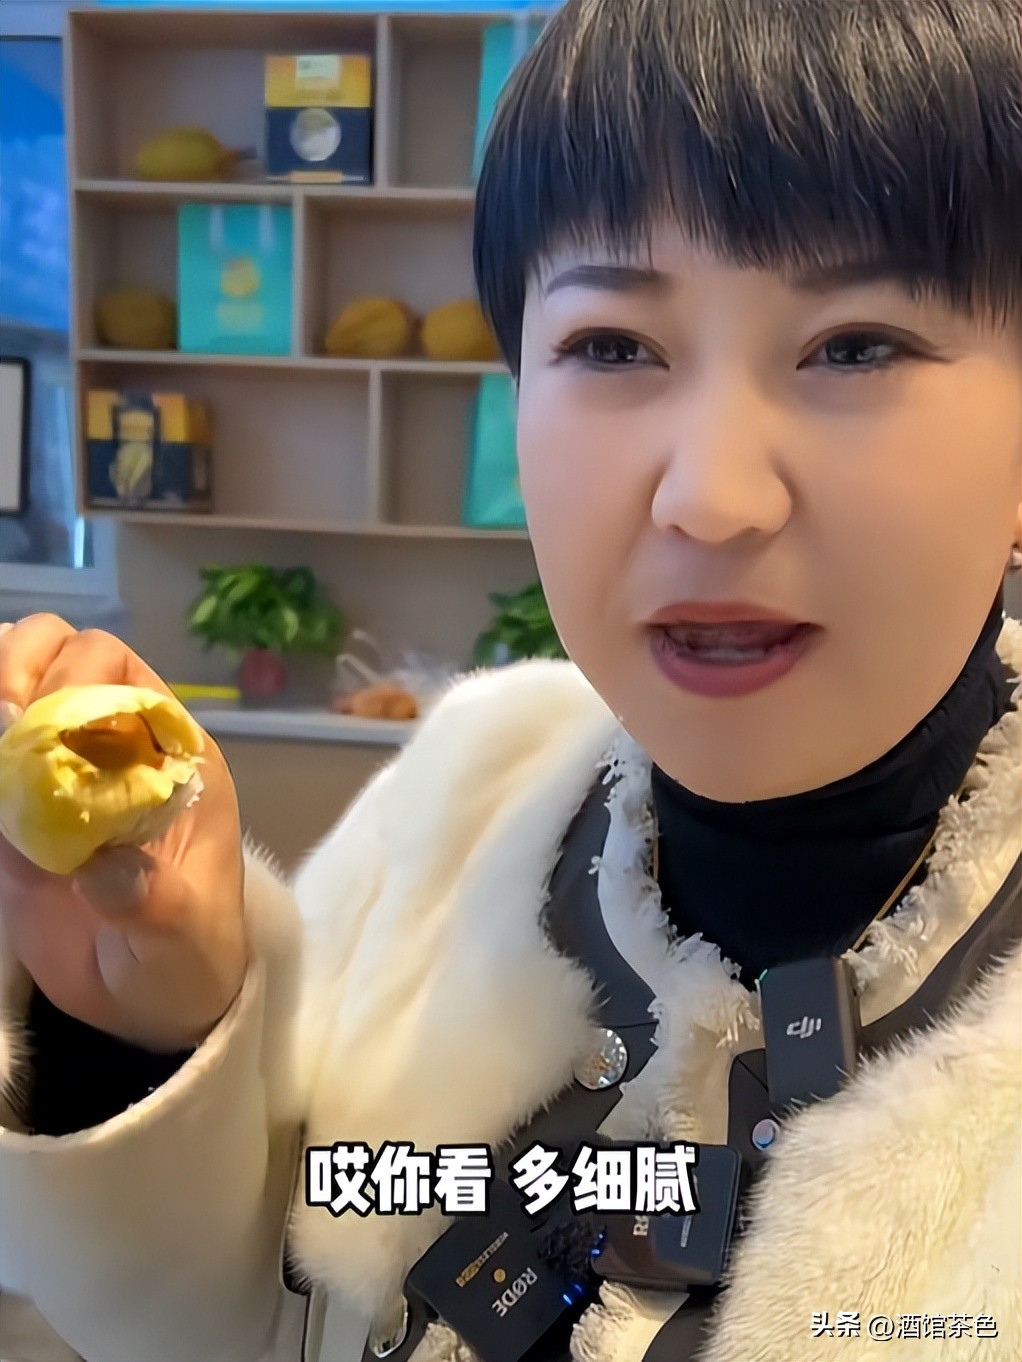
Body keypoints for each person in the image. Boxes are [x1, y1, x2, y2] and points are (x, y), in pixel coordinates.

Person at [1, 1, 1020, 1359]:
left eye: (854, 346)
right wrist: (153, 1031)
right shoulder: (466, 790)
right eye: (613, 346)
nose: (711, 497)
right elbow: (274, 1317)